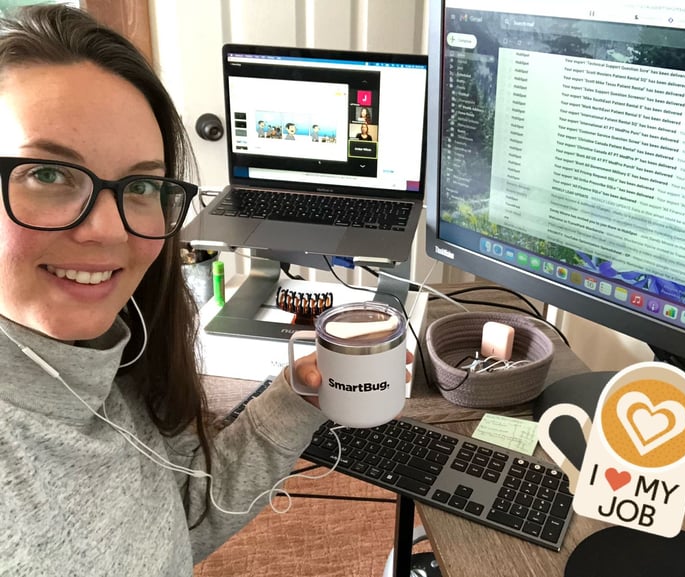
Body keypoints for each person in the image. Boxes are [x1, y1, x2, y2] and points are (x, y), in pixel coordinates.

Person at [0, 5, 411, 575]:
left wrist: (296, 399)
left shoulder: (112, 366)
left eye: (141, 183)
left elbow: (174, 520)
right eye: (46, 174)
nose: (106, 230)